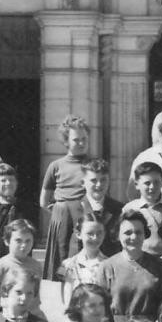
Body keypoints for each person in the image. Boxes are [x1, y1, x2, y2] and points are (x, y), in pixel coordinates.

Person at [41, 115, 93, 280]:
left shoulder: (93, 165)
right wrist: (59, 211)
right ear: (66, 141)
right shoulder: (56, 166)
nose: (81, 143)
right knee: (60, 258)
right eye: (76, 140)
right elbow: (44, 200)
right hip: (62, 215)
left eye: (84, 139)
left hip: (84, 214)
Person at [99, 211, 162, 322]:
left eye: (138, 233)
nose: (133, 237)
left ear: (145, 235)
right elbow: (101, 308)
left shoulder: (160, 266)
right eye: (127, 233)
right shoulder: (107, 267)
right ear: (118, 235)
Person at [0, 218, 44, 318]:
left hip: (31, 317)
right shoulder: (2, 265)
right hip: (9, 316)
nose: (23, 245)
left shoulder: (36, 265)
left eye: (28, 241)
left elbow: (35, 297)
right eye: (18, 241)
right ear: (7, 241)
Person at [71, 158, 123, 259]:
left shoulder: (119, 209)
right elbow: (62, 247)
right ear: (83, 182)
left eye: (103, 180)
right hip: (79, 269)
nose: (99, 185)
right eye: (93, 180)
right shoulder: (71, 208)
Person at [123, 161, 162, 256]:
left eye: (156, 182)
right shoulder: (129, 209)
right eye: (147, 183)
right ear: (136, 185)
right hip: (140, 261)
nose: (152, 187)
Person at [58, 213, 108, 303]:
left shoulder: (109, 264)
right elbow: (65, 297)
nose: (95, 238)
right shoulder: (67, 265)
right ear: (78, 234)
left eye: (99, 233)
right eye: (90, 233)